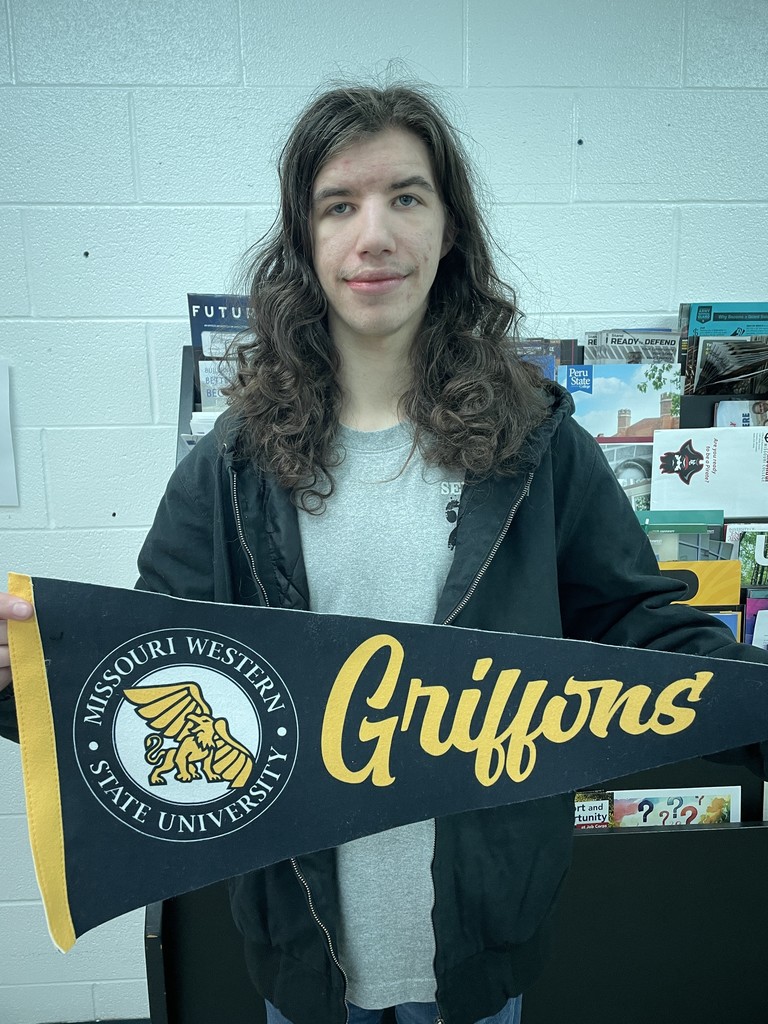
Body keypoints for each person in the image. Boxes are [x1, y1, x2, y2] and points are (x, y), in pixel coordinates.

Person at [2, 83, 768, 1024]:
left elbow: (638, 631)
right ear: (306, 241)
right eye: (340, 204)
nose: (375, 236)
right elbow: (152, 673)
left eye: (406, 197)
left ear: (449, 229)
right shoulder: (230, 470)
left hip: (482, 946)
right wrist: (21, 678)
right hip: (305, 947)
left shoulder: (537, 446)